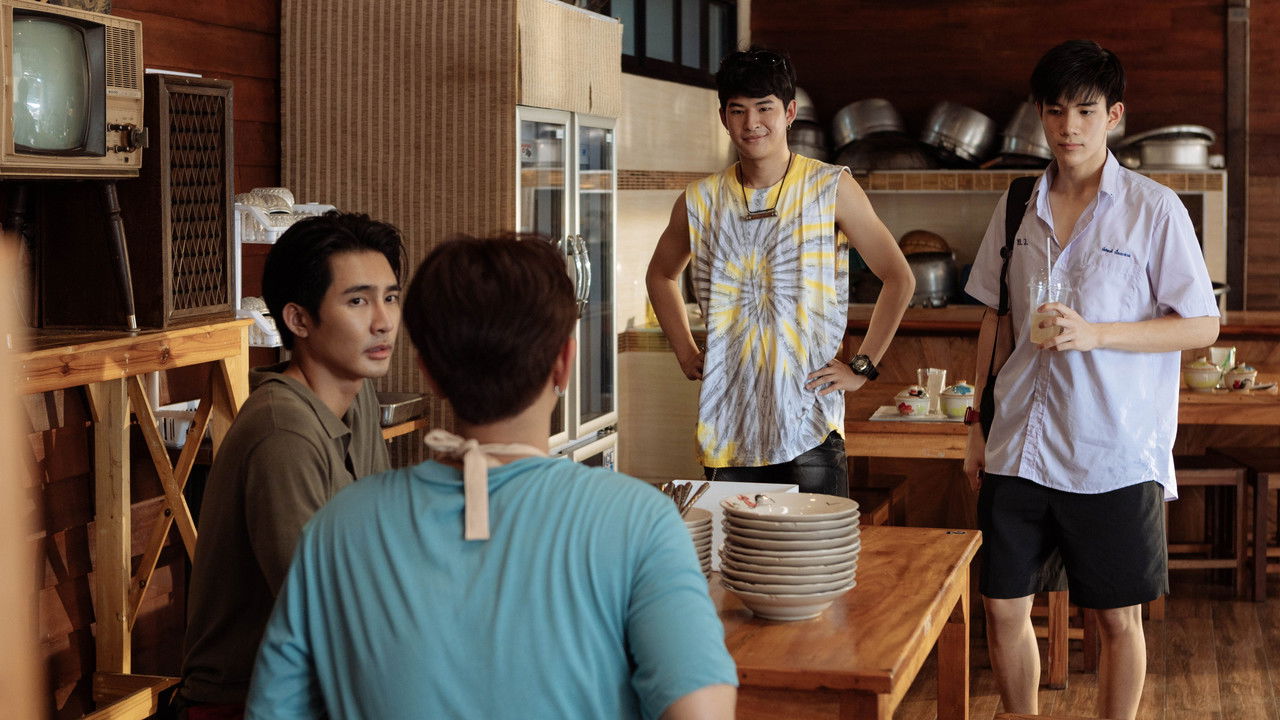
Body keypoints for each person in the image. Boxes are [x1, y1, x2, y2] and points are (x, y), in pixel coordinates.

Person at [245, 235, 738, 720]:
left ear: (429, 372)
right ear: (565, 364)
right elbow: (701, 712)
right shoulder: (640, 521)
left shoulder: (336, 529)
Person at [961, 40, 1219, 720]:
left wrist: (1099, 334)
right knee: (1001, 605)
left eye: (1084, 110)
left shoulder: (1154, 209)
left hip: (1111, 450)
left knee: (1115, 619)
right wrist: (976, 426)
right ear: (1040, 116)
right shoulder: (1016, 205)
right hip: (1018, 443)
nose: (1068, 127)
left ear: (1114, 116)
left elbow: (1202, 325)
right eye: (1055, 111)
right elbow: (995, 319)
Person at [646, 46, 914, 497]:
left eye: (764, 108)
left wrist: (862, 367)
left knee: (816, 546)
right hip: (728, 428)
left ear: (789, 113)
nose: (751, 123)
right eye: (738, 110)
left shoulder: (830, 187)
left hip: (809, 424)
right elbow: (660, 275)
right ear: (723, 117)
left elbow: (899, 277)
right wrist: (685, 351)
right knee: (736, 546)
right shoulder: (700, 200)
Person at [178, 212, 404, 717]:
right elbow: (327, 618)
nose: (383, 321)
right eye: (357, 301)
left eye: (390, 297)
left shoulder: (358, 397)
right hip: (248, 705)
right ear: (299, 320)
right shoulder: (283, 432)